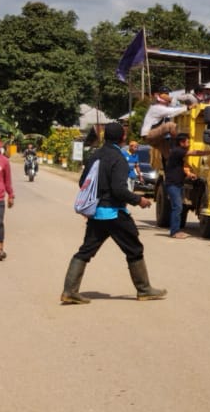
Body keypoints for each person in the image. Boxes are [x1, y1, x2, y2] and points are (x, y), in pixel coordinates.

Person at [61, 122, 166, 304]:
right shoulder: (119, 158)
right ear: (122, 138)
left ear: (104, 137)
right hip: (114, 213)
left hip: (96, 213)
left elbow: (82, 183)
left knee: (85, 251)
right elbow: (119, 190)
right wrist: (138, 200)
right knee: (134, 249)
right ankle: (144, 289)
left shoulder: (95, 156)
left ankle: (69, 291)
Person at [164, 132, 195, 238]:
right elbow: (194, 152)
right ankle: (174, 231)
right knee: (177, 207)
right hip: (172, 184)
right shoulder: (178, 151)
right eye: (187, 141)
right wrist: (209, 151)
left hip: (178, 184)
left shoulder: (178, 152)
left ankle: (176, 230)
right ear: (182, 142)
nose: (189, 143)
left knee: (178, 207)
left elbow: (181, 167)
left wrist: (188, 174)